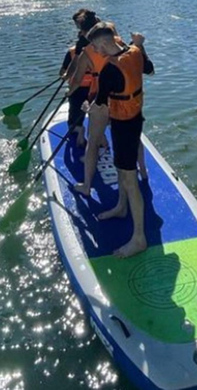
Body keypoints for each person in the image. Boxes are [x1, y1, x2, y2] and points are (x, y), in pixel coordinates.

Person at [81, 22, 154, 259]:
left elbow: (99, 105)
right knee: (122, 171)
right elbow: (149, 68)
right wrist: (140, 44)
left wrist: (86, 107)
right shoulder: (134, 52)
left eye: (96, 47)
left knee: (129, 179)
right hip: (135, 119)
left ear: (103, 43)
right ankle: (121, 207)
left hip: (123, 126)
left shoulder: (110, 70)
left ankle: (139, 239)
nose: (97, 52)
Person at [59, 9, 99, 145]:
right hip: (96, 88)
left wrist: (64, 76)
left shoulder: (73, 51)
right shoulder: (101, 49)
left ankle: (78, 129)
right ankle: (97, 136)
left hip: (78, 88)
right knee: (96, 114)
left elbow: (64, 72)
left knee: (74, 117)